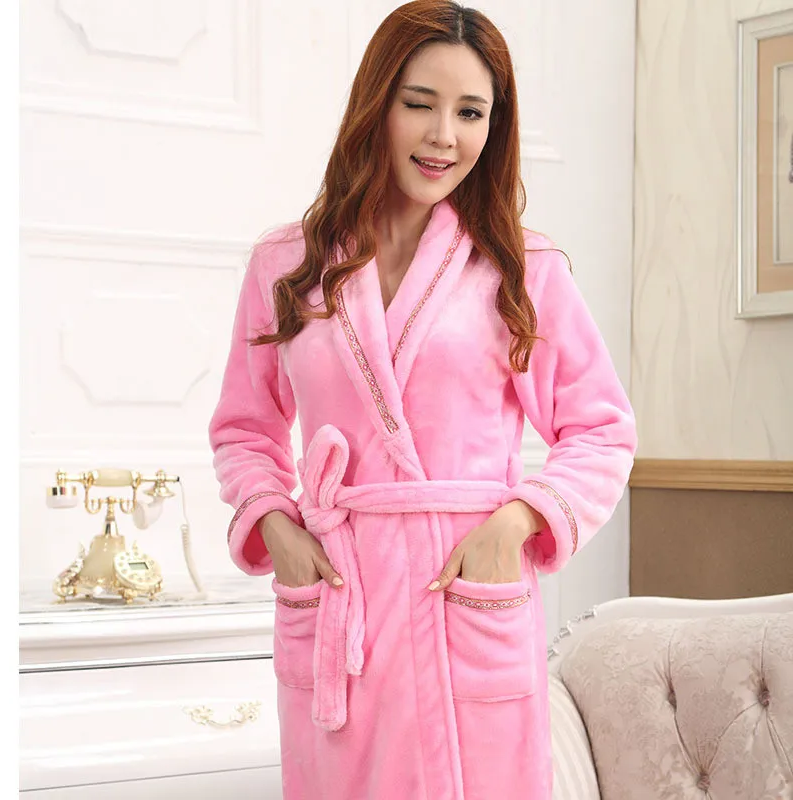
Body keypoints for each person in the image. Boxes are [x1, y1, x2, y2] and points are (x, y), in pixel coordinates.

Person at [208, 1, 637, 798]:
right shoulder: (288, 265)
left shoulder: (522, 270)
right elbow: (243, 430)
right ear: (377, 104)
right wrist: (276, 524)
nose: (444, 135)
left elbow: (602, 429)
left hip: (462, 591)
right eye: (419, 103)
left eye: (470, 112)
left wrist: (516, 523)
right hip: (344, 597)